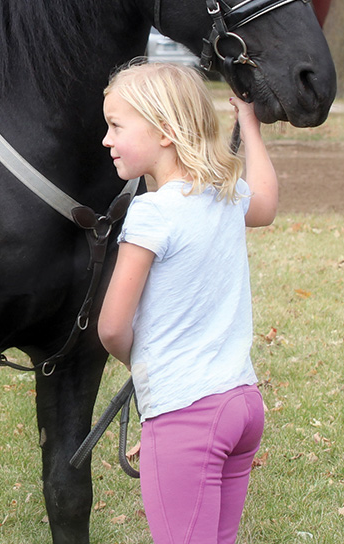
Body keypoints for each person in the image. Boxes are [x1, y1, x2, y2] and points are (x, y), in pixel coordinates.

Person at [97, 61, 278, 544]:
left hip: (188, 413)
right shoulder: (224, 194)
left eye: (116, 126)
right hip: (242, 402)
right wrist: (250, 127)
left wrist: (155, 378)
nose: (106, 140)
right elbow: (267, 204)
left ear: (164, 132)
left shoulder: (152, 213)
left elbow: (112, 327)